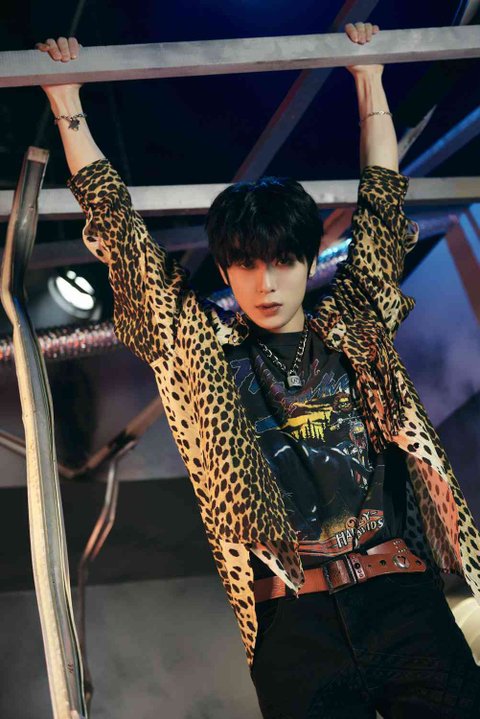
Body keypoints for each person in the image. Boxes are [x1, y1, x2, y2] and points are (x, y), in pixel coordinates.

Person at [36, 22, 480, 718]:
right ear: (225, 270)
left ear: (308, 261)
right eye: (246, 265)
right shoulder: (201, 354)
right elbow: (124, 239)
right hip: (292, 623)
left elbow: (382, 203)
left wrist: (369, 77)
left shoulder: (354, 322)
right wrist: (67, 101)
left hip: (401, 599)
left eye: (281, 261)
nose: (266, 283)